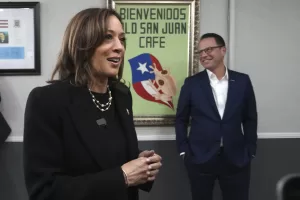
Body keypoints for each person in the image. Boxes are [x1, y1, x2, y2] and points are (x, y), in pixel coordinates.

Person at [23, 8, 162, 200]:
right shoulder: (46, 101)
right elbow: (45, 191)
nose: (119, 47)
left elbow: (106, 154)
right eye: (108, 37)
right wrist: (121, 177)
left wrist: (140, 163)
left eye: (122, 39)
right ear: (82, 44)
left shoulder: (121, 95)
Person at [175, 33, 257, 200]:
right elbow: (181, 119)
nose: (204, 55)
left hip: (236, 158)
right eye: (201, 52)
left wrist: (250, 150)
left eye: (209, 49)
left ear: (223, 50)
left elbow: (250, 118)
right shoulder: (192, 83)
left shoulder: (242, 81)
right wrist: (184, 150)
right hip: (200, 158)